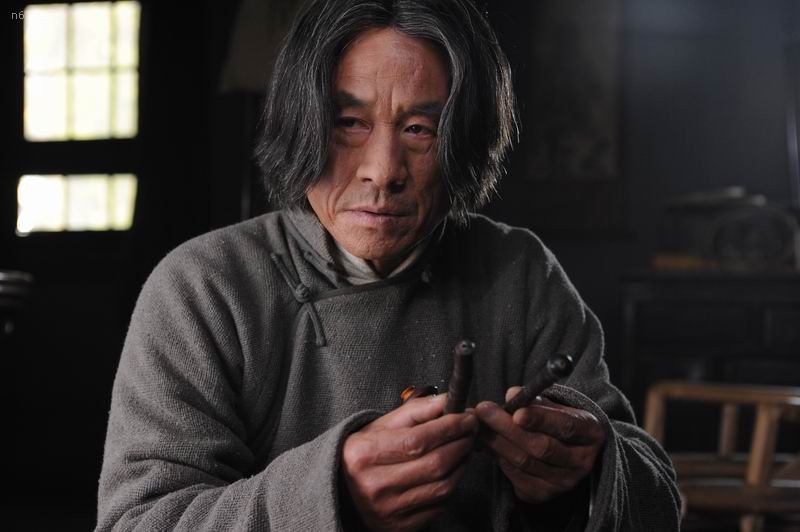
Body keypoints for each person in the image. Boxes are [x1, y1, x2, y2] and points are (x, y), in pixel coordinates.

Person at [97, 0, 681, 530]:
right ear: (301, 124)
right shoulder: (203, 287)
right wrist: (332, 494)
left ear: (464, 144)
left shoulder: (520, 272)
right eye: (350, 123)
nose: (383, 170)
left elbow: (657, 503)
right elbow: (136, 523)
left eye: (420, 129)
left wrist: (587, 473)